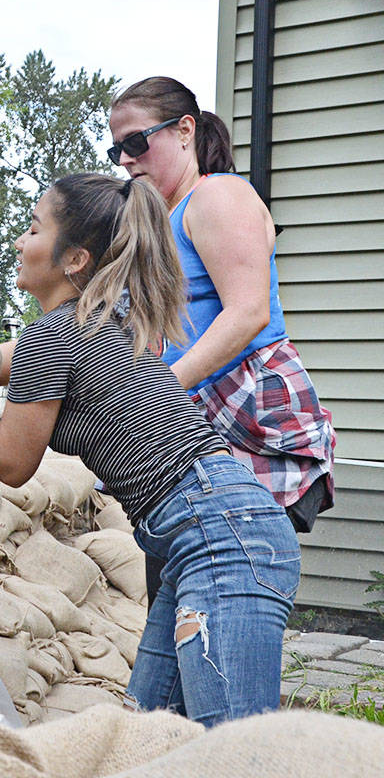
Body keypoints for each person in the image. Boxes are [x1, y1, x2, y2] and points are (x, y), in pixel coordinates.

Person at [0, 174, 299, 727]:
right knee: (147, 730)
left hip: (217, 533)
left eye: (33, 229)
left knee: (232, 749)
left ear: (75, 258)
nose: (18, 242)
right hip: (208, 525)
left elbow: (13, 463)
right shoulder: (95, 323)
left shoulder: (54, 336)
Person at [109, 77, 336, 606]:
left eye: (136, 142)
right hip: (190, 433)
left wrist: (153, 395)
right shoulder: (165, 219)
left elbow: (249, 311)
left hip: (245, 425)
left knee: (220, 609)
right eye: (115, 147)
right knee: (178, 608)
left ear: (184, 130)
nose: (124, 159)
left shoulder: (218, 195)